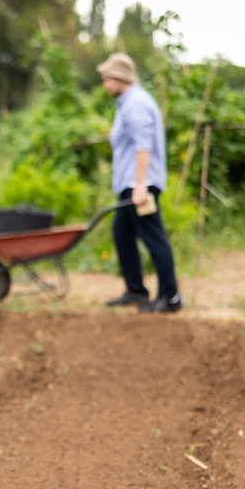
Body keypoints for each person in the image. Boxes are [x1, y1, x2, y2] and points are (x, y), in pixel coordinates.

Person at [98, 53, 183, 313]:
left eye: (106, 79)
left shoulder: (135, 103)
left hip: (139, 184)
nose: (105, 85)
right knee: (122, 235)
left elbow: (143, 146)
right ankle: (136, 290)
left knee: (153, 237)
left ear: (119, 77)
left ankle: (170, 297)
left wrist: (140, 183)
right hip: (131, 183)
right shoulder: (127, 102)